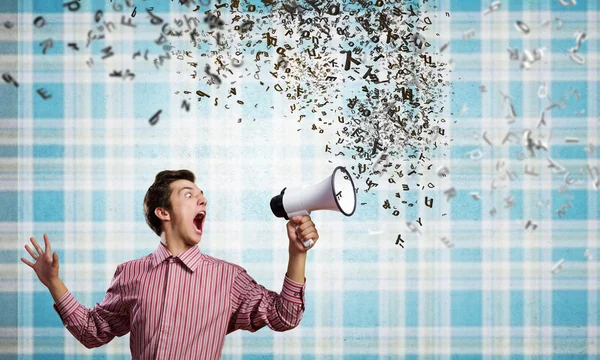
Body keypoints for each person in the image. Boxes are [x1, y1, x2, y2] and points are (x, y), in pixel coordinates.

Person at [21, 169, 319, 359]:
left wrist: (297, 253)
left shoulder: (229, 279)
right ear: (163, 212)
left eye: (203, 198)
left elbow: (285, 317)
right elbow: (92, 332)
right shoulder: (130, 274)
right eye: (189, 195)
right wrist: (53, 282)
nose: (202, 202)